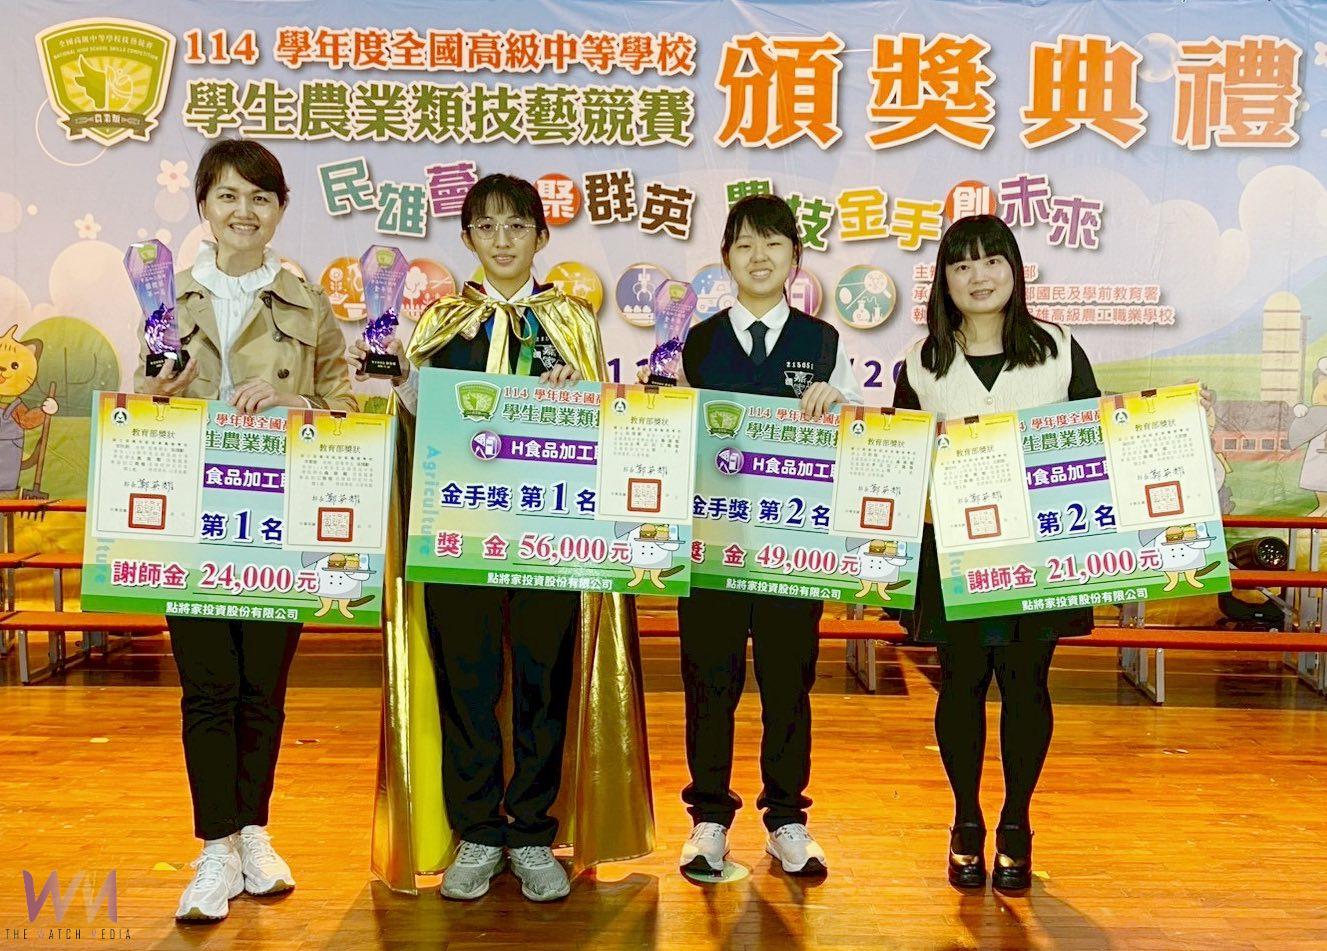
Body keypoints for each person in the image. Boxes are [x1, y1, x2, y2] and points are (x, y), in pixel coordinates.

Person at [349, 173, 653, 902]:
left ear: (541, 237)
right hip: (460, 530)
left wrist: (577, 398)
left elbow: (600, 428)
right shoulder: (440, 321)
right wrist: (401, 380)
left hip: (548, 535)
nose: (502, 240)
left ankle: (534, 830)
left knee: (544, 683)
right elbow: (418, 423)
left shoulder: (571, 321)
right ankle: (479, 831)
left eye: (517, 226)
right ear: (467, 239)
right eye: (486, 227)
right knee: (469, 682)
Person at [134, 138, 356, 921]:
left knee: (263, 685)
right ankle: (214, 847)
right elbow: (139, 407)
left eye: (260, 197)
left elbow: (347, 407)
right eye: (227, 195)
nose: (243, 211)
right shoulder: (166, 300)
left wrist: (300, 404)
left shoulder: (308, 303)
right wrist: (158, 395)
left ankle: (254, 831)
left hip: (279, 517)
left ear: (280, 209)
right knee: (208, 687)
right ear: (203, 205)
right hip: (193, 519)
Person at [654, 194, 862, 877]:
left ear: (795, 258)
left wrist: (839, 406)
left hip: (790, 550)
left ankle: (787, 819)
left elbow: (853, 440)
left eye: (773, 243)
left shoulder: (823, 342)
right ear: (725, 259)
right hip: (710, 543)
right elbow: (669, 431)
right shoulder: (695, 342)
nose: (759, 256)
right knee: (708, 681)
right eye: (744, 244)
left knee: (787, 683)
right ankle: (708, 819)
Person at [891, 214, 1100, 892]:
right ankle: (965, 820)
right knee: (960, 686)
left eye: (990, 261)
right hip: (953, 554)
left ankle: (1016, 822)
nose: (977, 276)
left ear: (1014, 270)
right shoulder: (921, 364)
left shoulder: (1058, 348)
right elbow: (900, 460)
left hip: (1037, 551)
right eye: (961, 265)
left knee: (1026, 685)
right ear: (943, 281)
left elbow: (1093, 440)